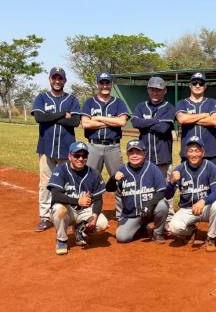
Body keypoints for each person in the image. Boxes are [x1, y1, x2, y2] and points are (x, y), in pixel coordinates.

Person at [31, 67, 81, 232]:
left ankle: (69, 216)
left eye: (60, 78)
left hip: (67, 150)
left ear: (65, 80)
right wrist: (62, 115)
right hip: (46, 149)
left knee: (68, 184)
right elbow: (39, 117)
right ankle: (45, 217)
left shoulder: (71, 99)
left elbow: (75, 122)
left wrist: (51, 118)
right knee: (45, 184)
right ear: (50, 79)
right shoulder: (42, 97)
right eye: (54, 78)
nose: (57, 81)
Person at [81, 72, 130, 218]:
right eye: (101, 83)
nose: (104, 86)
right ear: (97, 85)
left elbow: (122, 122)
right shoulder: (89, 102)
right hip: (93, 147)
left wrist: (98, 118)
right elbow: (85, 124)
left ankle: (123, 215)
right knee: (88, 180)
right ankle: (87, 214)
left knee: (119, 180)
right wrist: (110, 121)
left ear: (111, 84)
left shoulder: (118, 102)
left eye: (107, 83)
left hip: (112, 147)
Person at [47, 141, 108, 255]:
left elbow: (98, 198)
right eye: (77, 155)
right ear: (70, 156)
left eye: (84, 156)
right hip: (68, 211)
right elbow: (56, 195)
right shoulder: (60, 170)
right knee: (58, 209)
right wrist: (78, 201)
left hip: (84, 211)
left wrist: (94, 215)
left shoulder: (94, 173)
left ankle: (80, 229)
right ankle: (62, 239)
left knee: (102, 223)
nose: (81, 158)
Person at [166, 136, 216, 252]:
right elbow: (168, 195)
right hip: (187, 209)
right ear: (186, 153)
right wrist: (171, 183)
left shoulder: (210, 167)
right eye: (191, 151)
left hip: (205, 207)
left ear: (203, 153)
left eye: (197, 151)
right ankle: (191, 231)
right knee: (173, 228)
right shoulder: (179, 169)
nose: (194, 154)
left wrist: (203, 201)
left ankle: (211, 238)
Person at [105, 139, 168, 243]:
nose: (134, 155)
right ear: (127, 154)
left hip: (150, 212)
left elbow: (162, 190)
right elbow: (109, 188)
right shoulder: (122, 170)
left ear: (144, 153)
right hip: (132, 214)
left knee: (162, 205)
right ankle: (141, 228)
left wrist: (149, 204)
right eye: (131, 152)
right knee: (122, 237)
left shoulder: (152, 168)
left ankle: (158, 233)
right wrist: (113, 179)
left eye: (138, 152)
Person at [131, 76, 175, 178]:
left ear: (165, 91)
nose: (155, 93)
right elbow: (135, 123)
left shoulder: (169, 107)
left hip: (163, 157)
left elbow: (163, 128)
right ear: (148, 90)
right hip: (144, 156)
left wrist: (144, 123)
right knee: (145, 188)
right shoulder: (141, 106)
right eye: (152, 89)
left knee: (164, 189)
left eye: (158, 90)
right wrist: (155, 121)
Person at [175, 72, 216, 171]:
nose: (197, 85)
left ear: (205, 86)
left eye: (201, 83)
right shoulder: (182, 103)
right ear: (190, 85)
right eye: (195, 83)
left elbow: (214, 121)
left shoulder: (212, 102)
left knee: (213, 184)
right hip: (188, 152)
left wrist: (190, 118)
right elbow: (182, 119)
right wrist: (204, 115)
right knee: (188, 184)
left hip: (209, 152)